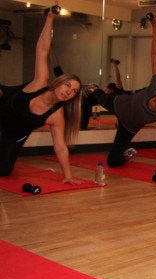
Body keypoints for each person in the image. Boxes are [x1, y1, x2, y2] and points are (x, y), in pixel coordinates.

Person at [84, 14, 156, 174]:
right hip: (119, 104)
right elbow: (154, 54)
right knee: (99, 96)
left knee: (113, 162)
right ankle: (94, 88)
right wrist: (154, 26)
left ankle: (127, 155)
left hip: (128, 128)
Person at [0, 4, 83, 185]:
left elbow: (60, 147)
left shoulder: (56, 115)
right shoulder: (41, 82)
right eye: (68, 85)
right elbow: (42, 50)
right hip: (2, 110)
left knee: (3, 171)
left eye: (74, 91)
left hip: (13, 136)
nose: (69, 91)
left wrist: (67, 176)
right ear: (59, 82)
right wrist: (50, 18)